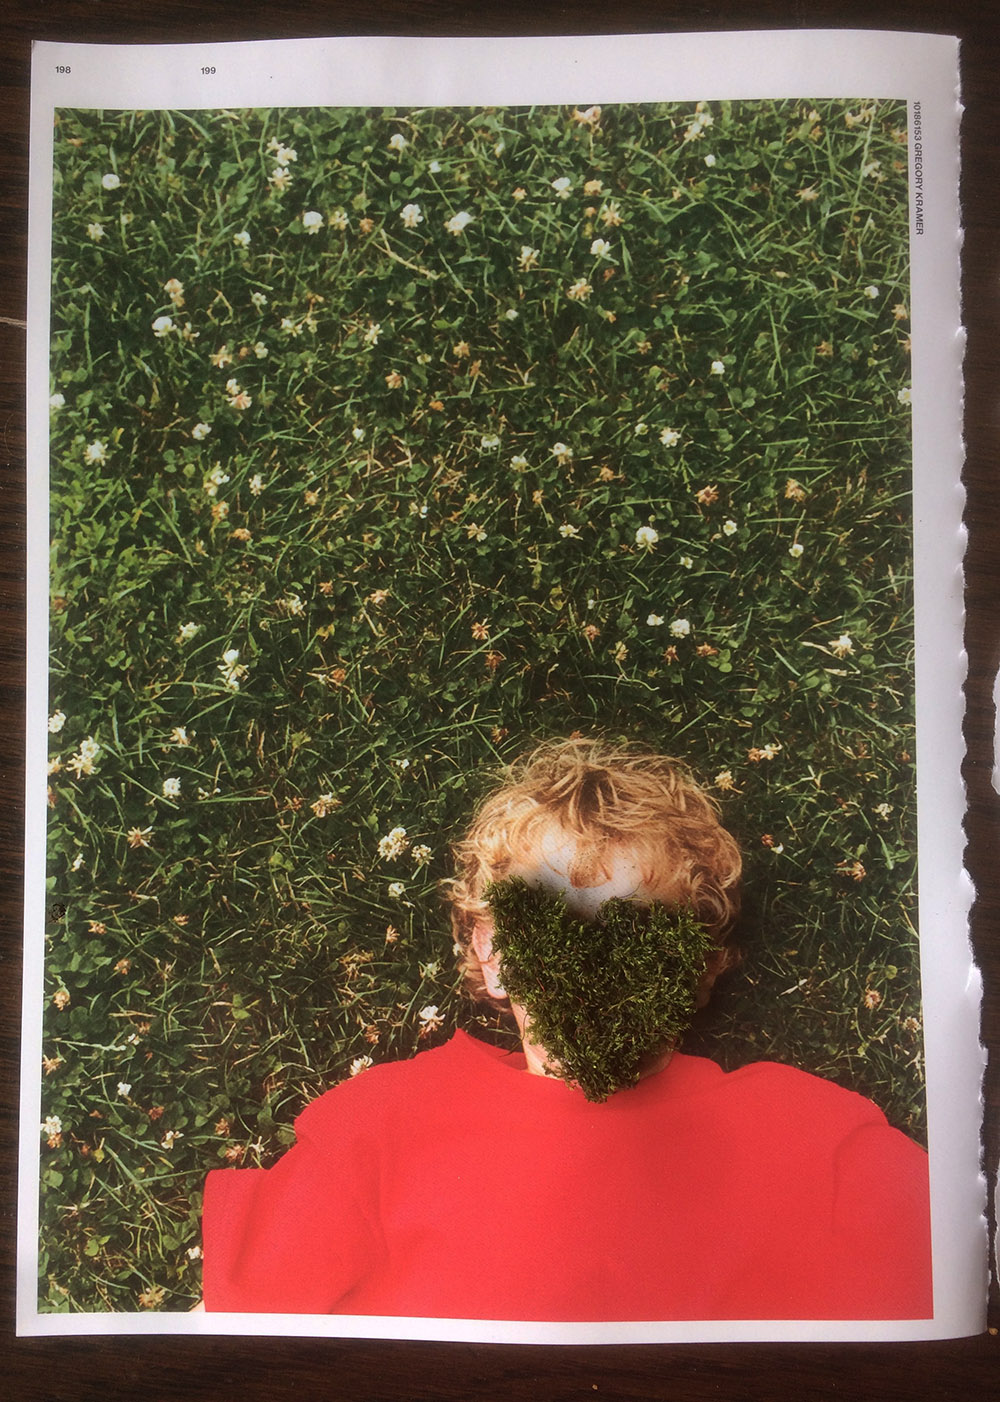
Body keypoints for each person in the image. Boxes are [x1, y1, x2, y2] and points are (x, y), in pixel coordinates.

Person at [201, 737, 932, 1320]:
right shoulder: (379, 1130)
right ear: (491, 956)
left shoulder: (811, 1138)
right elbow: (230, 1340)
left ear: (703, 965)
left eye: (636, 928)